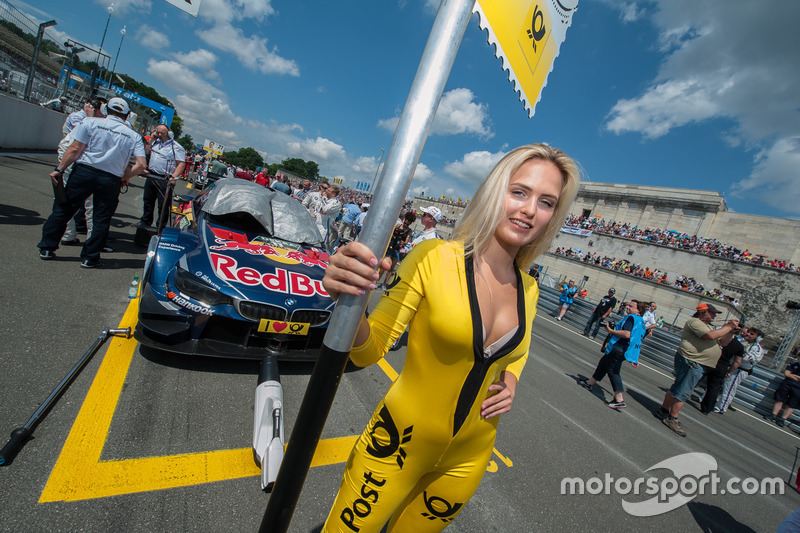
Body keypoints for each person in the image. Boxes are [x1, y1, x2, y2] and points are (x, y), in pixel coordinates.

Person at [320, 143, 580, 532]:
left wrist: (509, 380)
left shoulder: (530, 288)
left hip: (469, 459)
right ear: (495, 191)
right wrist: (350, 300)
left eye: (546, 202)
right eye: (519, 191)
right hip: (396, 445)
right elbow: (367, 352)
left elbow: (517, 354)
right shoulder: (433, 257)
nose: (529, 210)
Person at [38, 97, 146, 268]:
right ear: (126, 116)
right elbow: (141, 164)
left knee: (64, 209)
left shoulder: (89, 122)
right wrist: (126, 177)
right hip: (111, 179)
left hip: (84, 172)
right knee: (101, 218)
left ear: (105, 110)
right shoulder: (133, 135)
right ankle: (90, 257)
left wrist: (59, 169)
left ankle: (47, 248)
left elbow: (74, 149)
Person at [655, 303, 739, 437]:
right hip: (692, 361)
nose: (714, 315)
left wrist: (731, 331)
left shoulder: (708, 326)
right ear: (702, 313)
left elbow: (723, 342)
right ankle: (672, 418)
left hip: (697, 362)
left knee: (677, 388)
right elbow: (710, 336)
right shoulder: (695, 322)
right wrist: (728, 326)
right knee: (684, 391)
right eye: (712, 313)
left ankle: (664, 410)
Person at [579, 300, 647, 409]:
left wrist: (610, 330)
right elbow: (637, 340)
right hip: (624, 349)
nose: (628, 307)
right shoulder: (641, 322)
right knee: (603, 363)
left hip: (619, 348)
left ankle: (619, 399)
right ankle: (590, 382)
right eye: (628, 305)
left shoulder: (631, 318)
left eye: (631, 306)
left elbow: (627, 334)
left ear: (638, 310)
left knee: (613, 371)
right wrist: (634, 358)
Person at [136, 124, 186, 229]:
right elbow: (145, 152)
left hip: (165, 179)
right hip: (152, 175)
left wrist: (173, 177)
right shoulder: (155, 143)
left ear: (168, 133)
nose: (159, 135)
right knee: (148, 200)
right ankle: (145, 221)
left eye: (162, 133)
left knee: (163, 205)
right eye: (157, 132)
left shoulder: (176, 147)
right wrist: (151, 140)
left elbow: (181, 164)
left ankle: (160, 227)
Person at [714, 327, 764, 413]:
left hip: (740, 370)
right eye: (748, 332)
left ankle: (721, 407)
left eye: (752, 334)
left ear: (757, 338)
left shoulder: (757, 349)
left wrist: (742, 350)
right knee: (717, 384)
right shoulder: (742, 341)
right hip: (729, 365)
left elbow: (747, 358)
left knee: (729, 388)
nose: (748, 334)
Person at [698, 327, 745, 415]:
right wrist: (729, 371)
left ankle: (682, 395)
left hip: (710, 360)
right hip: (722, 366)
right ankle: (706, 408)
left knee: (696, 378)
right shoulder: (739, 346)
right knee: (714, 387)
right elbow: (737, 362)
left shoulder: (720, 338)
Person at [378, 211, 416, 287]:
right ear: (405, 219)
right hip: (391, 246)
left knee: (391, 268)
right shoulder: (398, 226)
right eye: (406, 221)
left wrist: (402, 242)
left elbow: (406, 242)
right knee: (384, 265)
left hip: (398, 250)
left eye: (408, 223)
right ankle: (377, 281)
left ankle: (384, 284)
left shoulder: (409, 231)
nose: (406, 223)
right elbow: (391, 234)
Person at [766, 358, 800, 427]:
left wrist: (792, 375)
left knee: (791, 405)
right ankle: (773, 415)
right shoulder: (793, 364)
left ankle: (782, 420)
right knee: (779, 399)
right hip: (787, 384)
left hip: (798, 388)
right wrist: (797, 378)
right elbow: (786, 374)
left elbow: (789, 375)